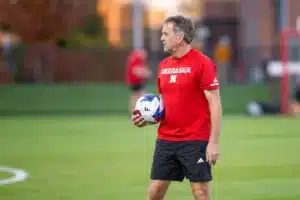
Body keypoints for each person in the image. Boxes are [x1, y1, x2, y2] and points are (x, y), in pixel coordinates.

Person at [131, 15, 222, 200]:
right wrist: (146, 118)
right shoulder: (163, 66)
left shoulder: (203, 63)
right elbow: (164, 103)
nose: (162, 38)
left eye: (165, 33)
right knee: (155, 191)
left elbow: (215, 103)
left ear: (179, 37)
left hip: (195, 140)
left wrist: (213, 142)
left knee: (200, 192)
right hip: (166, 139)